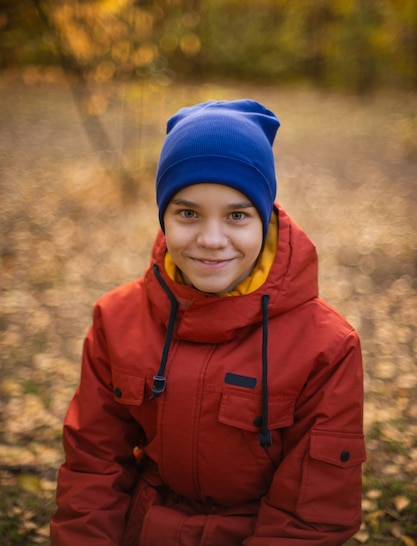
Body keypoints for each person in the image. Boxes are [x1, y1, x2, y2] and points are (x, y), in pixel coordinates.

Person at [50, 99, 365, 546]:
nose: (211, 240)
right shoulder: (116, 320)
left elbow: (313, 511)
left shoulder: (327, 346)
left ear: (266, 219)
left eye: (237, 215)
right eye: (188, 213)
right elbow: (93, 467)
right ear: (164, 216)